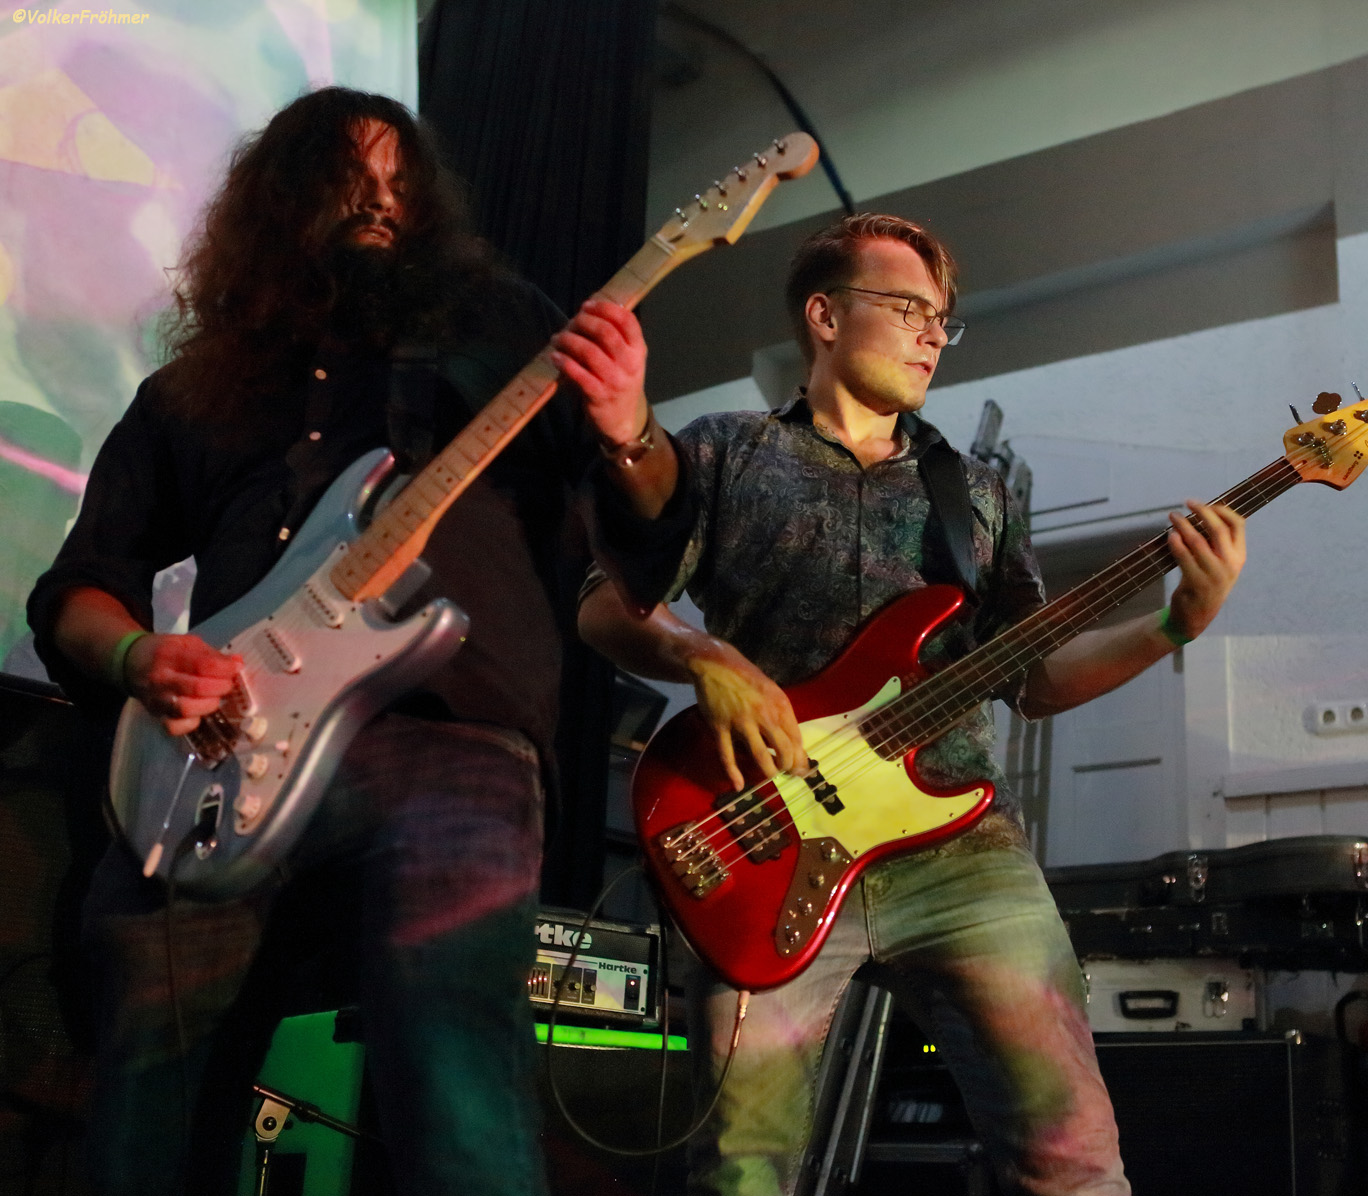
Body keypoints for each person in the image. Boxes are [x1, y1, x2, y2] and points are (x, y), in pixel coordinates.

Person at [26, 88, 692, 1195]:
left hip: (450, 738)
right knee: (148, 1100)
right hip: (218, 757)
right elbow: (80, 586)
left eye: (399, 183)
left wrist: (631, 430)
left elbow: (645, 547)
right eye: (349, 179)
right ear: (281, 201)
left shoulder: (502, 329)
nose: (379, 201)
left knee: (455, 1079)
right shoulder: (196, 385)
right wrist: (139, 658)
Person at [578, 213, 1247, 1195]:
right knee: (743, 1168)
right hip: (764, 836)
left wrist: (1173, 626)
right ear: (824, 316)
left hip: (962, 853)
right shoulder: (725, 451)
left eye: (943, 318)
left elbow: (1036, 677)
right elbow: (605, 603)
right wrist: (701, 654)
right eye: (907, 308)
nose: (934, 334)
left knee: (1074, 1157)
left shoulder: (972, 496)